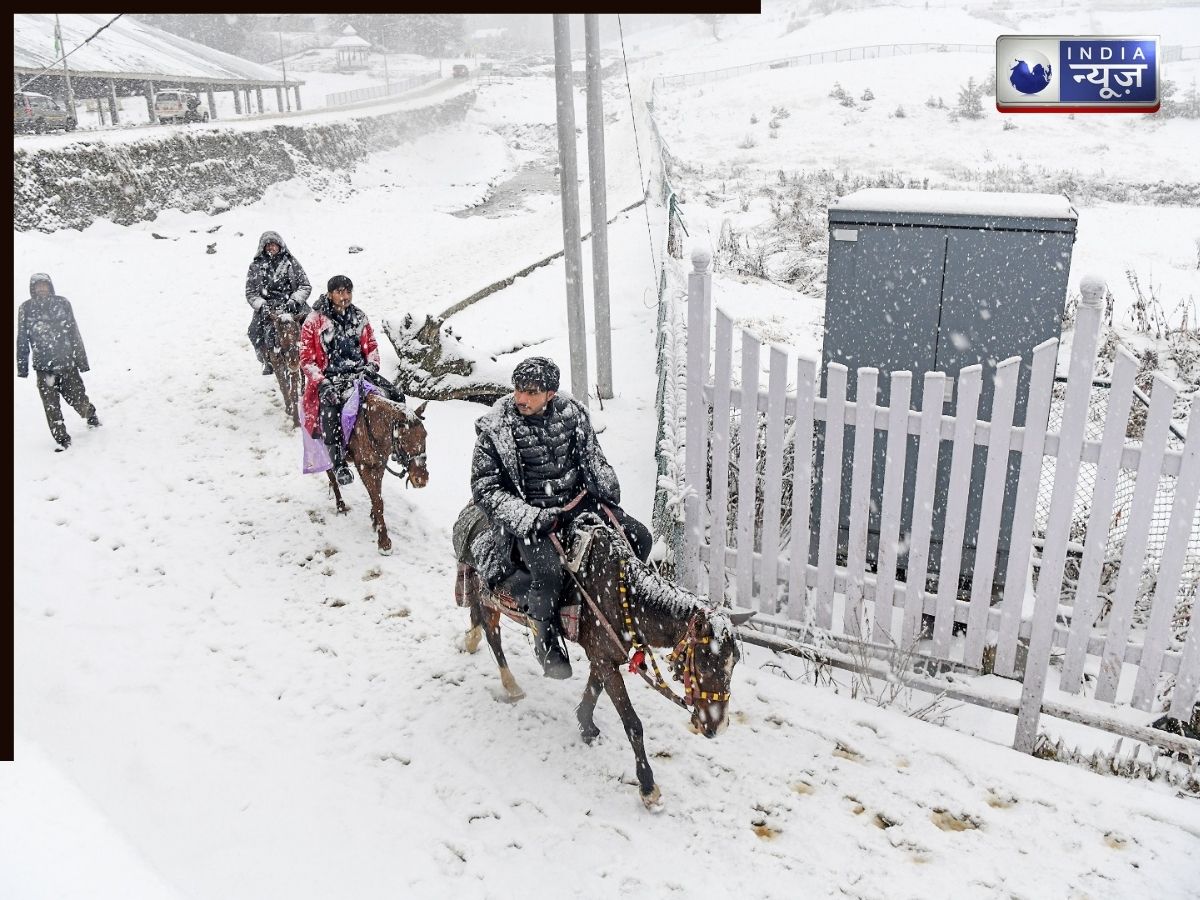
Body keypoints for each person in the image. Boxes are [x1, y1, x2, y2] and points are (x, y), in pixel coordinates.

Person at [469, 357, 652, 679]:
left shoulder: (573, 414)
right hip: (531, 520)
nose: (521, 399)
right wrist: (530, 517)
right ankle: (546, 640)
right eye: (518, 390)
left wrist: (604, 492)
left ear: (550, 394)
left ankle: (619, 608)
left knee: (638, 537)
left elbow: (593, 459)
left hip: (579, 505)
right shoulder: (495, 429)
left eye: (531, 392)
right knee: (548, 574)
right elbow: (485, 489)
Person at [299, 275, 404, 487]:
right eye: (339, 292)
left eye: (348, 292)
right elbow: (306, 359)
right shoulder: (314, 321)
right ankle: (338, 464)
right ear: (330, 294)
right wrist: (322, 383)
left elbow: (372, 347)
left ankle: (398, 445)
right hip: (330, 378)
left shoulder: (359, 316)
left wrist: (371, 366)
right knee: (329, 413)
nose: (344, 297)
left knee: (396, 396)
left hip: (360, 374)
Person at [17, 273, 100, 452]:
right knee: (51, 407)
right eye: (37, 286)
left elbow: (74, 333)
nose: (41, 289)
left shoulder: (63, 303)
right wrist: (22, 367)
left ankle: (90, 414)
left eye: (44, 285)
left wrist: (82, 361)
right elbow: (22, 339)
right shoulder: (26, 308)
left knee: (78, 400)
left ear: (50, 286)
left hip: (67, 364)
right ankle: (62, 438)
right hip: (43, 368)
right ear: (32, 288)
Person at [245, 230, 311, 375]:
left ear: (280, 245)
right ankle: (267, 360)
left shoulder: (291, 262)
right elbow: (250, 292)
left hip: (291, 303)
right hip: (267, 306)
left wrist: (295, 299)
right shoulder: (255, 266)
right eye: (267, 245)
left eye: (273, 244)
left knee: (313, 324)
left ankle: (313, 356)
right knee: (254, 331)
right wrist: (262, 305)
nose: (271, 247)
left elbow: (305, 286)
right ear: (262, 247)